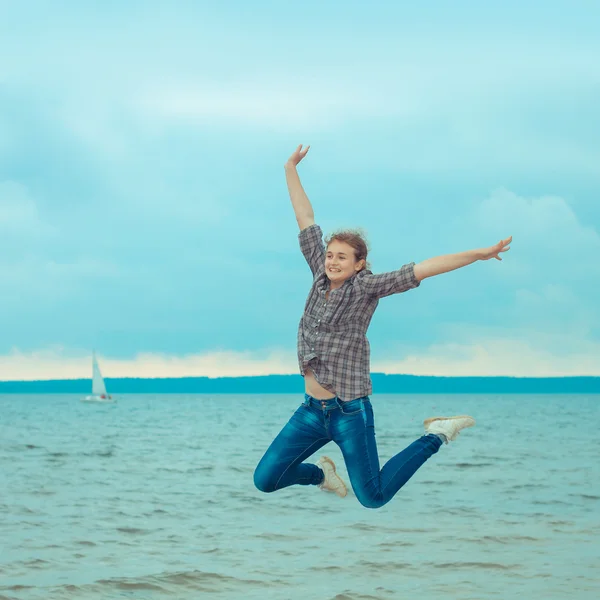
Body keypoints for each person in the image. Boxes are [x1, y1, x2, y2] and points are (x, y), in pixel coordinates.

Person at [253, 145, 511, 508]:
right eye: (330, 254)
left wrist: (479, 255)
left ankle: (437, 434)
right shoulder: (318, 274)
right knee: (265, 480)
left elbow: (423, 268)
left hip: (349, 413)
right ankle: (322, 476)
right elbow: (305, 216)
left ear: (359, 264)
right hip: (311, 411)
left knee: (372, 497)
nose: (332, 261)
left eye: (342, 257)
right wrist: (289, 167)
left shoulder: (366, 288)